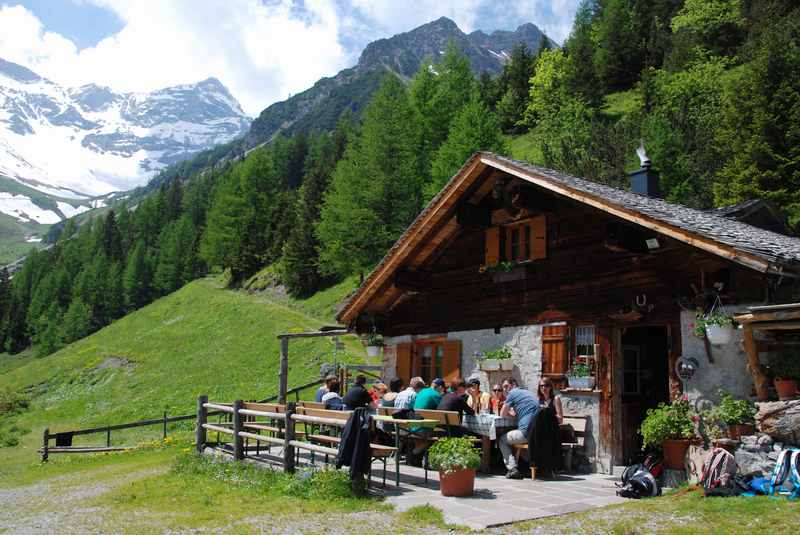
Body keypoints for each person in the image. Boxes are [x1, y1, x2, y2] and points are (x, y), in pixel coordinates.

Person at [498, 377, 540, 479]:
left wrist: (512, 416)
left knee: (502, 440)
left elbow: (502, 414)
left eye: (506, 386)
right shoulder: (528, 393)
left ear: (513, 385)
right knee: (514, 438)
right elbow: (522, 412)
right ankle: (528, 465)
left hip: (526, 432)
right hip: (538, 432)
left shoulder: (512, 393)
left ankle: (512, 468)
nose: (505, 390)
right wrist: (515, 416)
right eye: (503, 388)